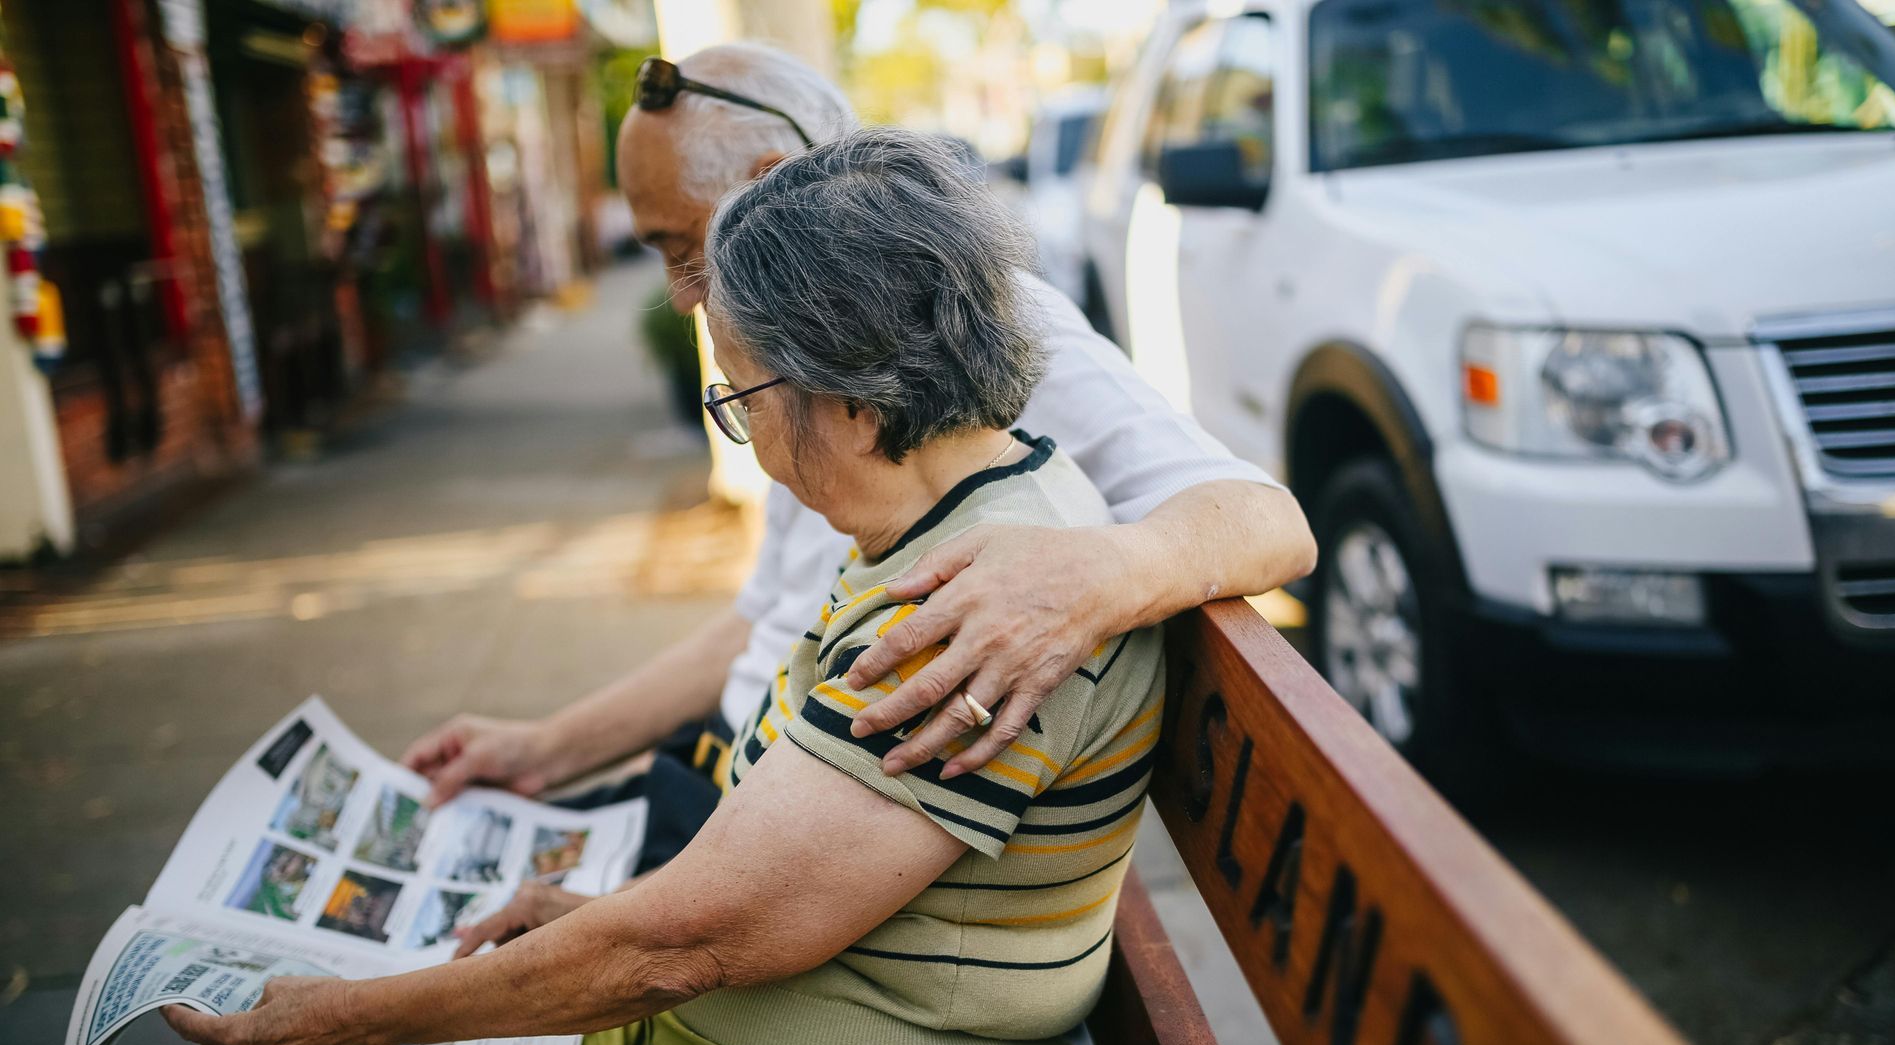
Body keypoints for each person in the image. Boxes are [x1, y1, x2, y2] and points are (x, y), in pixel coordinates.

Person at [165, 128, 1168, 1045]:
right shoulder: (966, 507)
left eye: (739, 399)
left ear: (841, 396)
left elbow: (694, 940)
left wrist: (353, 1015)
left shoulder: (968, 615)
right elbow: (764, 879)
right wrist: (604, 903)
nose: (751, 452)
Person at [399, 43, 1314, 832]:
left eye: (683, 248)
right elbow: (761, 624)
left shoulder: (962, 320)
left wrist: (1090, 579)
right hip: (736, 767)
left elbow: (1269, 521)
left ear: (766, 185)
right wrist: (543, 751)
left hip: (792, 805)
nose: (682, 294)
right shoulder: (799, 358)